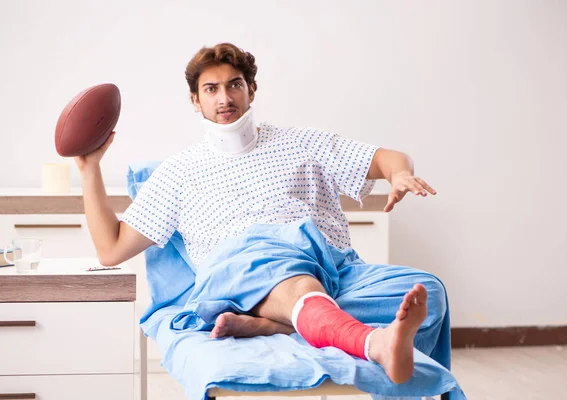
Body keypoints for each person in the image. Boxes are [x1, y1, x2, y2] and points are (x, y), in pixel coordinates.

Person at [75, 43, 441, 385]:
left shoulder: (301, 142)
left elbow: (385, 158)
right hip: (243, 270)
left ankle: (276, 323)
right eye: (211, 89)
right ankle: (372, 343)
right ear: (194, 100)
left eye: (234, 85)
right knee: (278, 266)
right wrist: (89, 168)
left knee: (430, 293)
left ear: (251, 88)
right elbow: (111, 249)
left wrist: (400, 173)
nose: (224, 98)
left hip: (331, 269)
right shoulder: (178, 171)